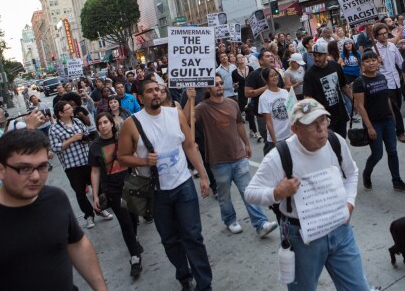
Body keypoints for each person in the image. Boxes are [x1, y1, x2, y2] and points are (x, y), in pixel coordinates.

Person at [0, 130, 108, 291]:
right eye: (24, 168)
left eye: (42, 166)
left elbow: (77, 244)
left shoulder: (56, 199)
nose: (35, 176)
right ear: (0, 170)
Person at [245, 99, 371, 291]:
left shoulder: (335, 141)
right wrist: (277, 192)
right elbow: (250, 193)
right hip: (302, 238)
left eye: (323, 120)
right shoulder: (280, 155)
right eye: (313, 124)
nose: (321, 129)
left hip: (340, 229)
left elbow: (351, 172)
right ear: (295, 130)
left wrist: (350, 202)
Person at [118, 79, 212, 291]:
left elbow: (189, 145)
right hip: (156, 193)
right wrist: (143, 161)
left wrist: (203, 176)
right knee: (170, 240)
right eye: (150, 91)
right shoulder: (131, 124)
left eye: (158, 90)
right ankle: (184, 276)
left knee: (193, 237)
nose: (156, 94)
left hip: (183, 185)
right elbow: (122, 156)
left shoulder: (175, 114)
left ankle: (205, 285)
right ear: (140, 98)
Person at [188, 78, 278, 238]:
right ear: (208, 89)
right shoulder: (202, 108)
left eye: (221, 83)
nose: (220, 86)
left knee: (248, 191)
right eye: (215, 84)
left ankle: (261, 223)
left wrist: (246, 145)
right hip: (218, 161)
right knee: (224, 196)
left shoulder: (233, 103)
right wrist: (190, 98)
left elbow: (238, 125)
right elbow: (188, 120)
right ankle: (230, 220)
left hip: (238, 156)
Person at [89, 112, 143, 277]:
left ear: (112, 124)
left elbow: (134, 157)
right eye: (99, 123)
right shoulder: (95, 147)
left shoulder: (122, 139)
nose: (103, 126)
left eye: (105, 122)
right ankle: (135, 257)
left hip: (131, 184)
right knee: (125, 222)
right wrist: (96, 196)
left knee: (133, 218)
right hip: (112, 190)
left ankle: (133, 241)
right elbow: (95, 171)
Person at [354, 50, 405, 193]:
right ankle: (366, 174)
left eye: (374, 59)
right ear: (363, 65)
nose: (371, 63)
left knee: (392, 151)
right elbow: (359, 106)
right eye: (367, 61)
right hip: (373, 124)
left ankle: (397, 181)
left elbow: (387, 99)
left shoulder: (382, 78)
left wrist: (392, 117)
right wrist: (369, 127)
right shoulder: (359, 82)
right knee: (377, 154)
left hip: (387, 121)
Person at [50, 100, 113, 229]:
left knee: (97, 187)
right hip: (72, 166)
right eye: (68, 108)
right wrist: (72, 139)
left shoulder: (78, 121)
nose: (71, 109)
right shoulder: (54, 129)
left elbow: (86, 135)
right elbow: (55, 148)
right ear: (61, 113)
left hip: (87, 161)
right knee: (80, 193)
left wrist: (85, 138)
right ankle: (89, 216)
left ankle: (100, 209)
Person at [303, 43, 352, 138]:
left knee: (341, 142)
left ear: (327, 54)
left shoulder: (335, 66)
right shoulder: (309, 74)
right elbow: (307, 98)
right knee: (330, 145)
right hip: (323, 118)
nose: (316, 58)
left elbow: (344, 86)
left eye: (320, 55)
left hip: (340, 113)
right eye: (314, 55)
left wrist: (354, 102)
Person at [372, 23, 405, 142]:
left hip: (396, 81)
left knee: (397, 105)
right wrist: (377, 62)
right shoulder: (373, 50)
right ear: (376, 36)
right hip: (385, 83)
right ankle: (400, 132)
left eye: (385, 33)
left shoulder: (392, 46)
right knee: (395, 109)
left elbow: (401, 63)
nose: (383, 36)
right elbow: (371, 70)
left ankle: (391, 128)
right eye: (380, 34)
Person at [245, 49, 285, 146]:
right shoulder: (253, 75)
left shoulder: (277, 73)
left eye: (271, 56)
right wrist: (267, 87)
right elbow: (247, 93)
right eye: (267, 56)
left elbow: (282, 88)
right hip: (263, 115)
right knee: (270, 143)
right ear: (260, 61)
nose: (271, 58)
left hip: (279, 112)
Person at [259, 67, 293, 154]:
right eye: (271, 76)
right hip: (276, 138)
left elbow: (291, 112)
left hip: (289, 135)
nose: (275, 77)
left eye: (275, 74)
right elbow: (268, 122)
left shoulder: (285, 92)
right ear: (266, 80)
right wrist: (275, 142)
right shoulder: (264, 97)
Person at [232, 54, 258, 138]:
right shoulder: (234, 73)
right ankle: (253, 131)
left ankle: (254, 132)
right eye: (238, 58)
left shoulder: (250, 68)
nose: (241, 59)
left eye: (242, 57)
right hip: (242, 95)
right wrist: (235, 85)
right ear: (236, 61)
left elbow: (255, 80)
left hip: (251, 93)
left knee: (250, 112)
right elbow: (235, 87)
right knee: (248, 113)